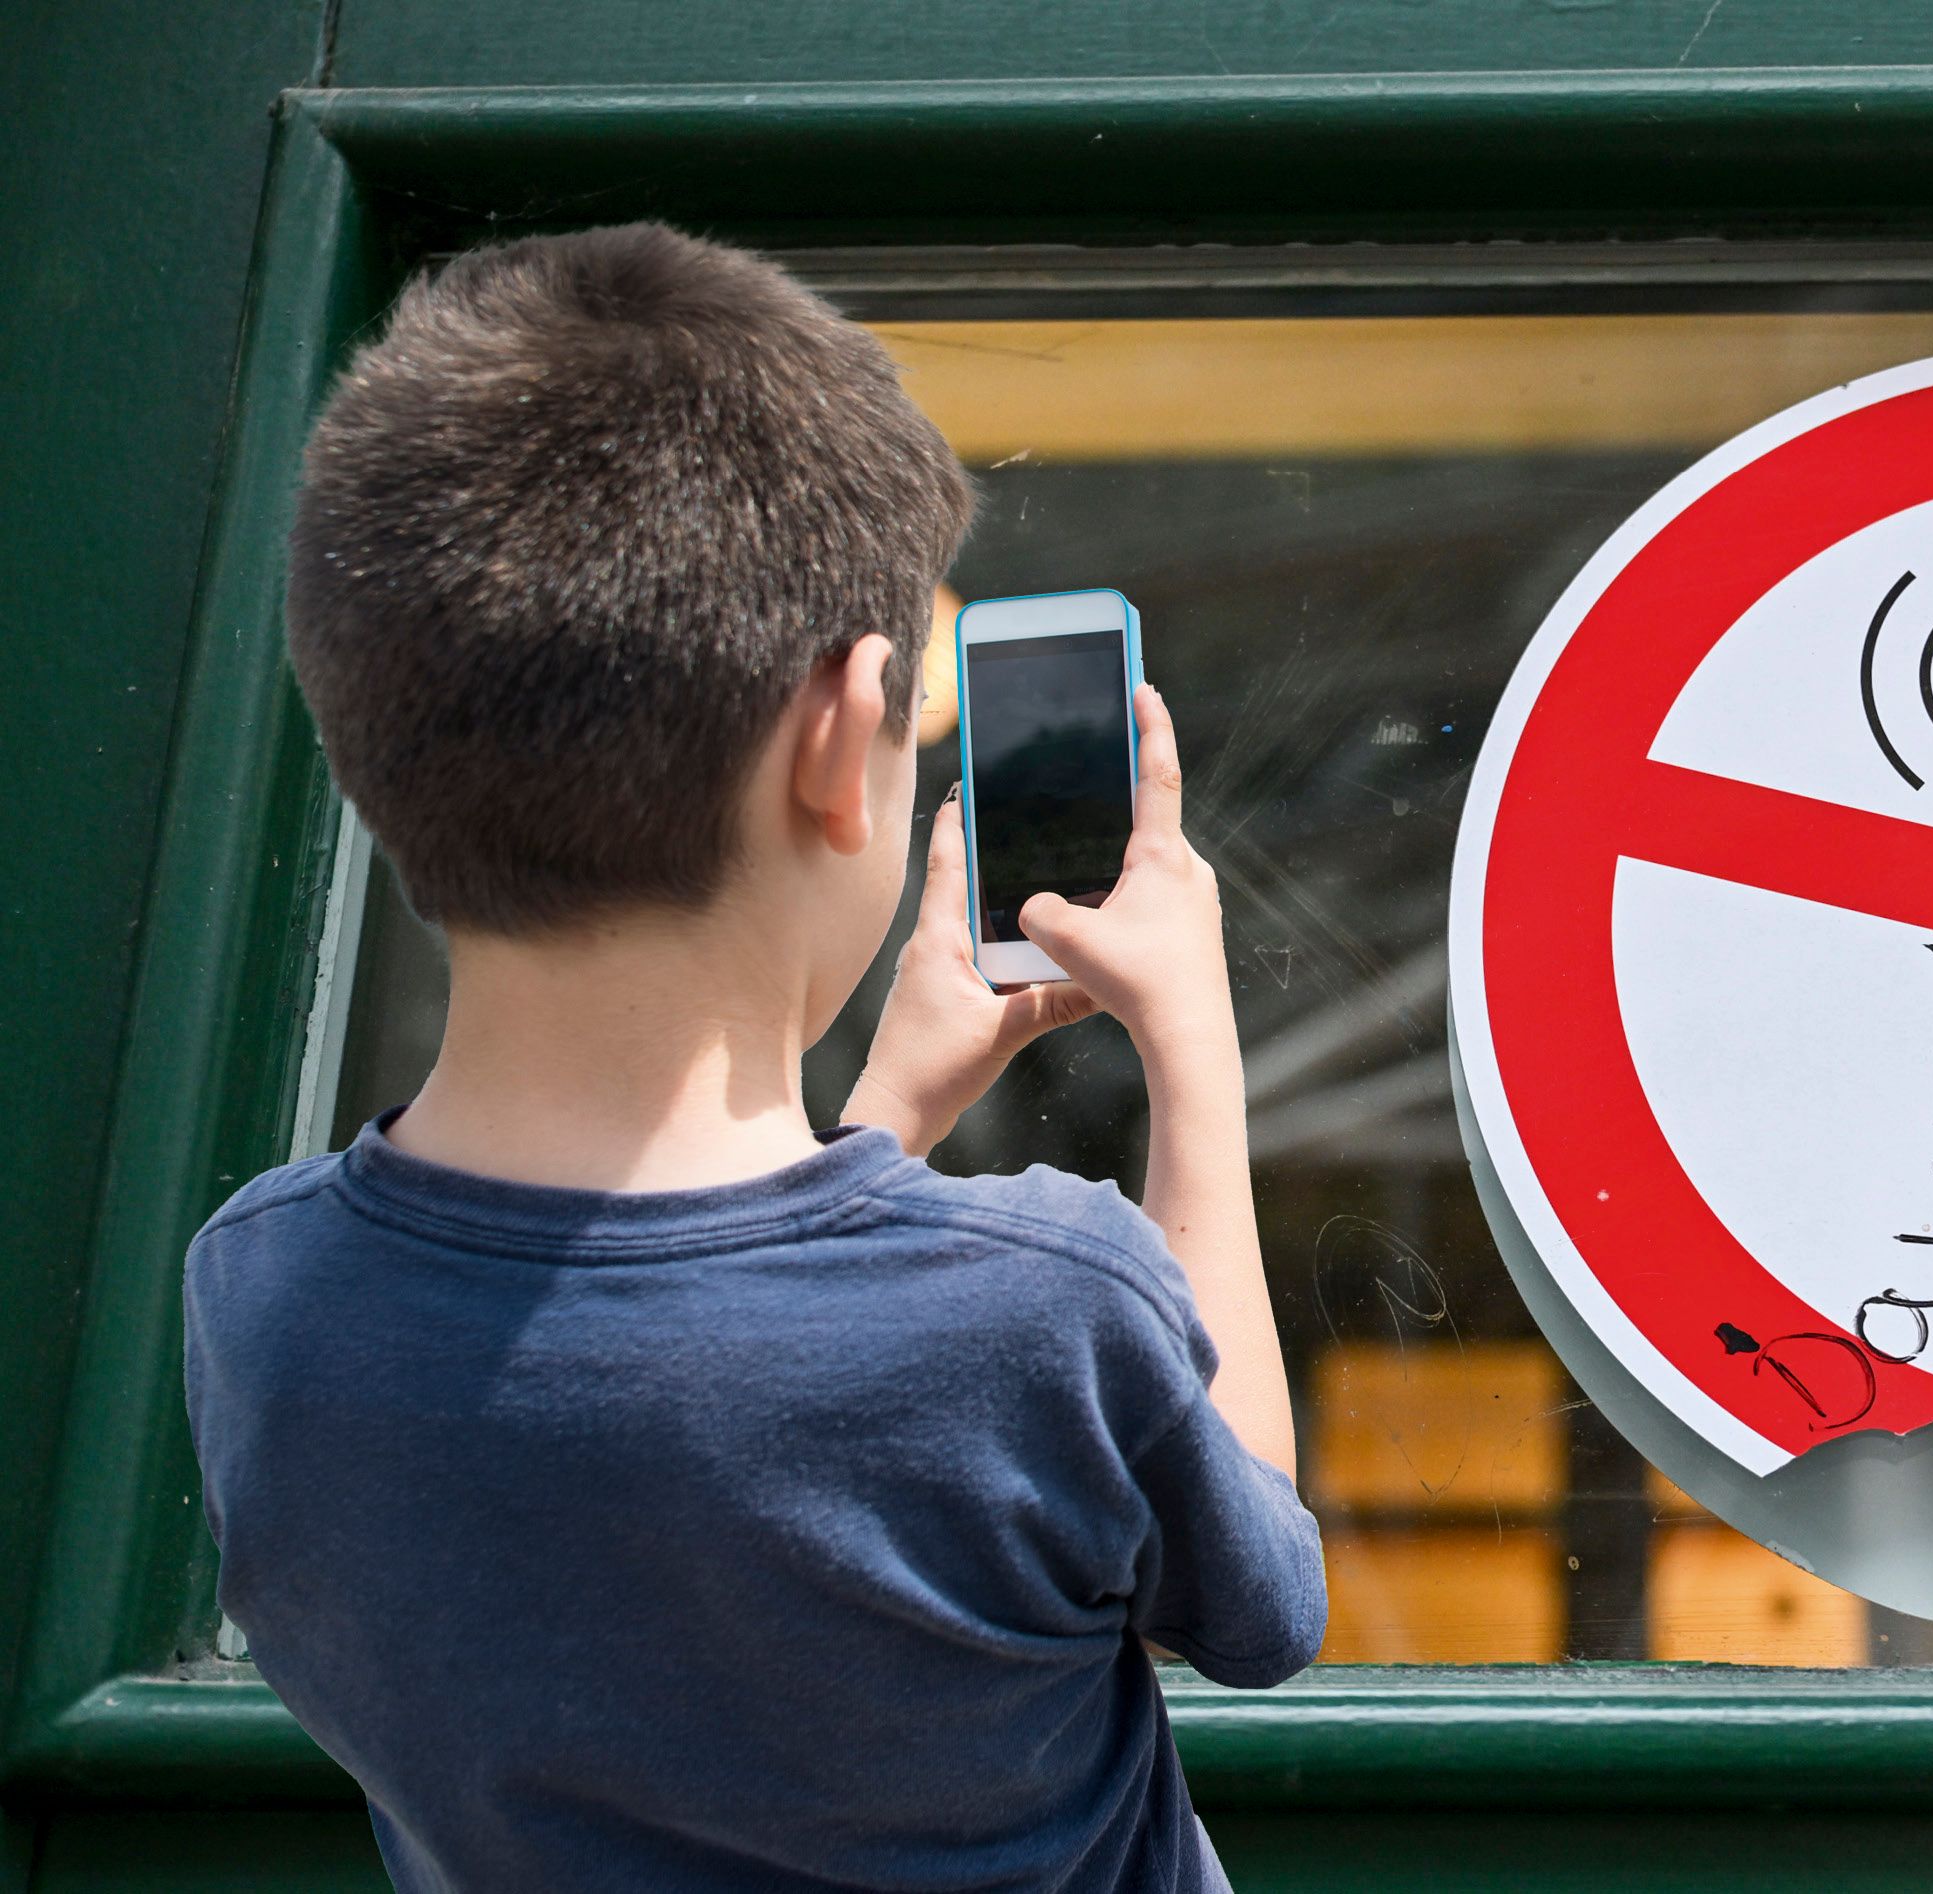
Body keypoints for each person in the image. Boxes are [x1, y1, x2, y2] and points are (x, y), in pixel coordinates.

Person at [180, 223, 1323, 1893]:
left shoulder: (265, 1290)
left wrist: (882, 1128)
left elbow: (702, 1427)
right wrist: (1190, 1049)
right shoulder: (1047, 1300)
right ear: (841, 737)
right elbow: (1264, 1595)